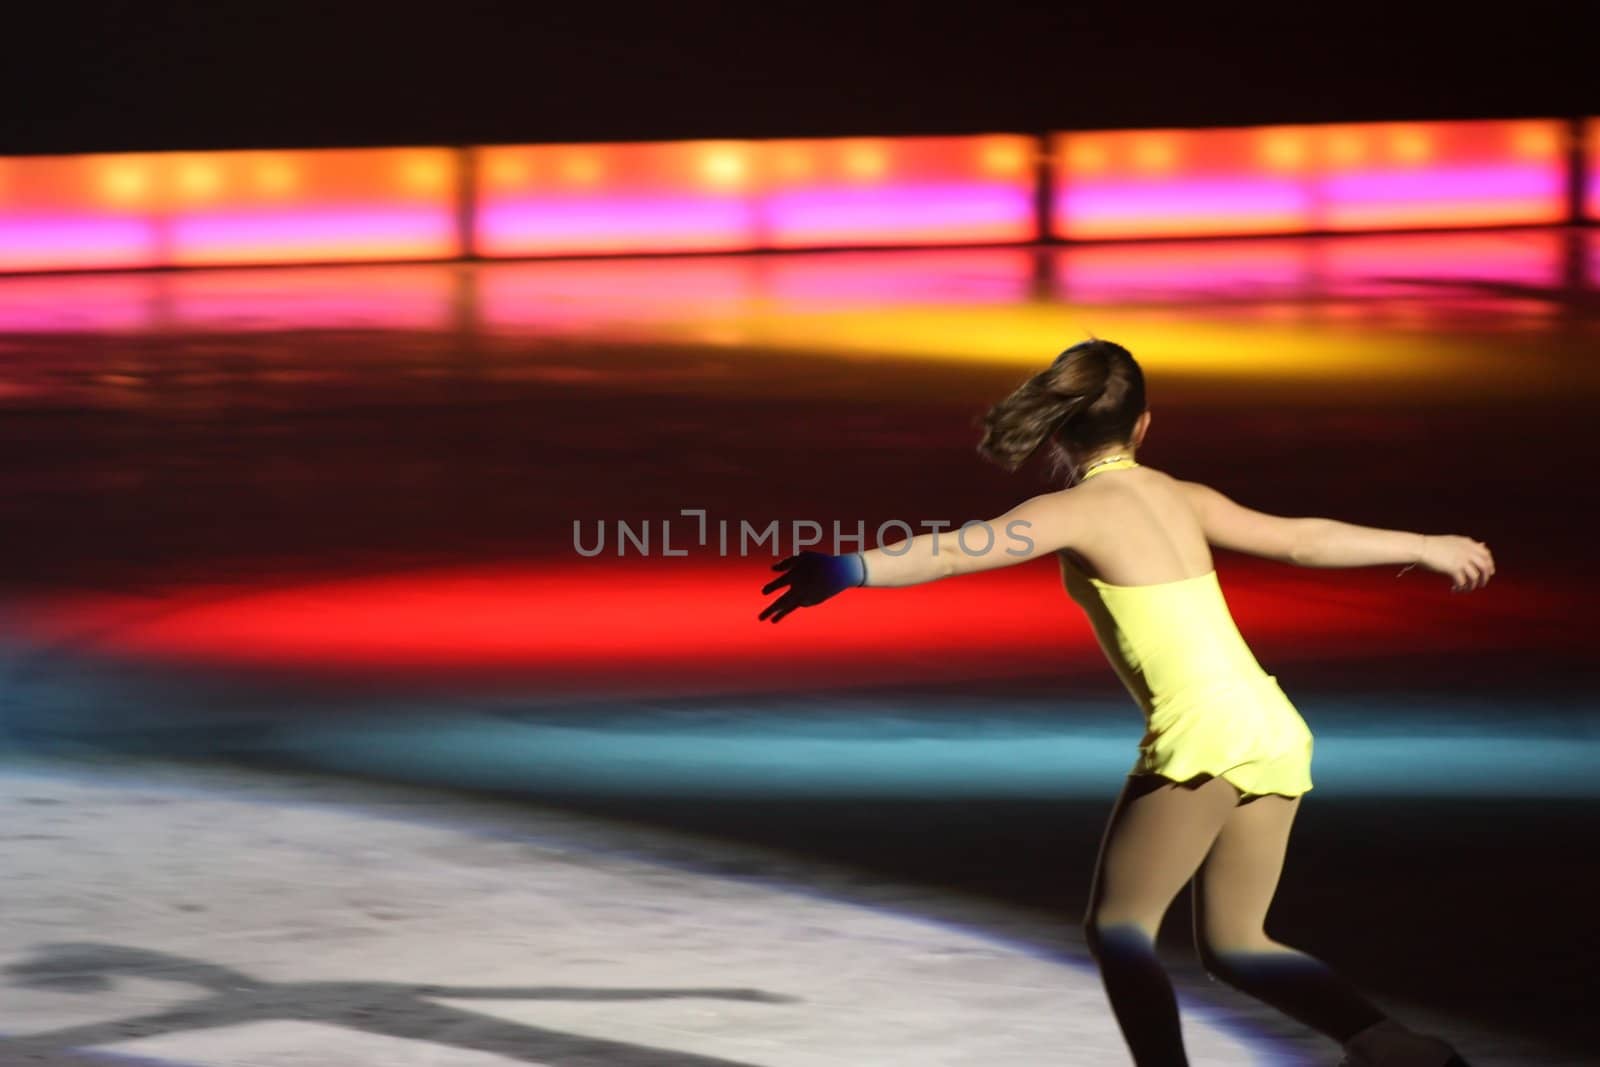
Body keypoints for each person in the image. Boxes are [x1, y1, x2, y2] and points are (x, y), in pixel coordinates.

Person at [759, 339, 1491, 1066]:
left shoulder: (1074, 511)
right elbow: (1300, 540)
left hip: (1204, 731)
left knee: (1120, 929)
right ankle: (1392, 1045)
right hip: (1269, 721)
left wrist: (849, 567)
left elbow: (955, 549)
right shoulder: (1180, 495)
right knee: (1237, 942)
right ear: (1144, 424)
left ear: (1059, 427)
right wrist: (1424, 542)